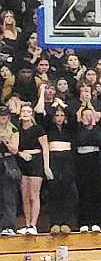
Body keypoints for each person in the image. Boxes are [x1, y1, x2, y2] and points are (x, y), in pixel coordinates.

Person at [15, 96, 48, 233]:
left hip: (35, 161)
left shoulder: (38, 129)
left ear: (32, 114)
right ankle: (27, 223)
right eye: (23, 112)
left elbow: (45, 147)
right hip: (22, 160)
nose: (26, 114)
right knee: (25, 195)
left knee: (34, 194)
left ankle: (34, 224)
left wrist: (46, 166)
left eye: (28, 112)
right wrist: (21, 154)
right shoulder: (17, 129)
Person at [43, 102, 77, 231]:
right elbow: (45, 119)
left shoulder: (69, 129)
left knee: (68, 192)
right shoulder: (49, 128)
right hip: (53, 159)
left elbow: (73, 118)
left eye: (62, 115)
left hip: (67, 160)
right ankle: (54, 223)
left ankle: (66, 223)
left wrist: (64, 105)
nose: (59, 117)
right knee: (54, 191)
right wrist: (53, 106)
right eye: (57, 115)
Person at [74, 104, 101, 231]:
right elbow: (80, 140)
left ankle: (96, 221)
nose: (88, 117)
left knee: (96, 191)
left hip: (95, 160)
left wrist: (93, 126)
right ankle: (83, 222)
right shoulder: (78, 129)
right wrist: (86, 127)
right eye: (85, 115)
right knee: (83, 191)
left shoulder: (98, 129)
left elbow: (98, 141)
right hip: (82, 161)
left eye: (90, 115)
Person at [0, 102, 19, 233]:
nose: (3, 118)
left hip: (8, 160)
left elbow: (15, 150)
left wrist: (6, 141)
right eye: (1, 116)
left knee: (9, 195)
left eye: (5, 116)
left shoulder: (13, 130)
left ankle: (9, 226)